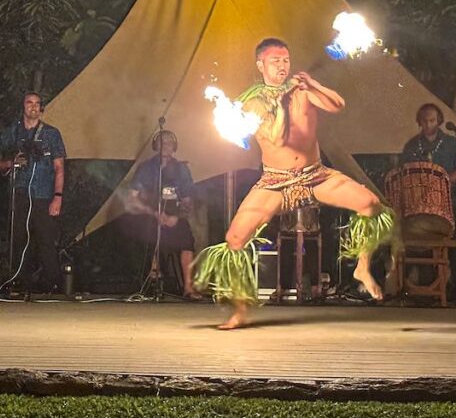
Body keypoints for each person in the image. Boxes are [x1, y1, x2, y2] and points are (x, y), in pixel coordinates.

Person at [195, 38, 395, 329]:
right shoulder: (252, 101)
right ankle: (239, 311)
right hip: (276, 182)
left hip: (315, 175)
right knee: (235, 239)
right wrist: (280, 104)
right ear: (260, 64)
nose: (282, 65)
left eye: (285, 60)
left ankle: (362, 268)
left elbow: (337, 104)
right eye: (275, 60)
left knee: (371, 204)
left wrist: (311, 85)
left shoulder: (302, 91)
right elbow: (276, 138)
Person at [0, 92, 66, 294]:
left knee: (46, 239)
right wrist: (10, 163)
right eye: (29, 103)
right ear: (23, 106)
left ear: (41, 108)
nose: (33, 107)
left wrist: (58, 197)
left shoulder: (51, 133)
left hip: (43, 194)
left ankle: (53, 284)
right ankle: (18, 281)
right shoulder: (12, 132)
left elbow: (59, 167)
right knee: (19, 238)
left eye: (37, 104)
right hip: (20, 192)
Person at [120, 130, 199, 299]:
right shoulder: (146, 168)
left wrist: (176, 217)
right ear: (156, 145)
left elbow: (188, 201)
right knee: (146, 230)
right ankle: (152, 279)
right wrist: (154, 213)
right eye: (162, 142)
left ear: (175, 147)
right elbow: (132, 199)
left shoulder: (181, 169)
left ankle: (188, 287)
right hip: (151, 214)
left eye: (170, 142)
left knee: (186, 239)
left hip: (174, 215)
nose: (166, 145)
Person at [400, 103, 456, 186]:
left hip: (448, 194)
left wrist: (446, 181)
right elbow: (404, 171)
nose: (428, 125)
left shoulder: (451, 142)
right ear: (419, 121)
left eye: (432, 120)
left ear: (439, 120)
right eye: (424, 121)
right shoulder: (411, 145)